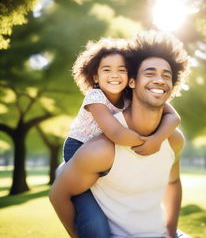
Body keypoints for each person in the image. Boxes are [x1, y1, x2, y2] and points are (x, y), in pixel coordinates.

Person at [49, 30, 190, 238]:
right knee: (94, 223)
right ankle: (66, 170)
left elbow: (173, 117)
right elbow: (115, 132)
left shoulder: (169, 136)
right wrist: (141, 141)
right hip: (78, 146)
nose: (159, 80)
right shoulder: (96, 101)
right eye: (150, 73)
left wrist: (157, 139)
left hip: (157, 229)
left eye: (121, 70)